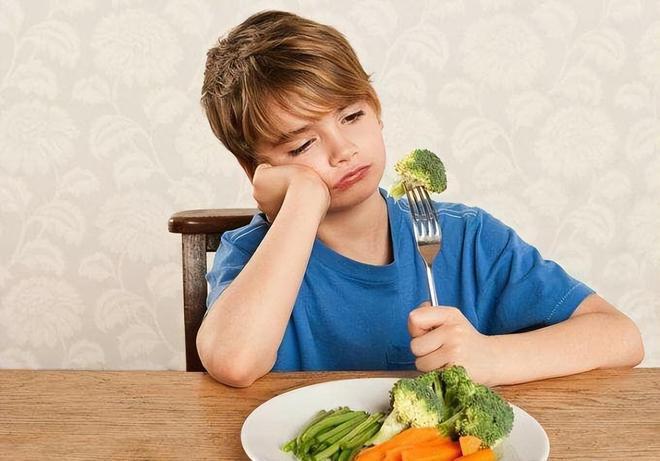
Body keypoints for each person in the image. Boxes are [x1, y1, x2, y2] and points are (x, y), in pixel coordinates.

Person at [196, 10, 644, 388]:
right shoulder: (250, 256)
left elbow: (620, 336)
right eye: (301, 146)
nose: (343, 150)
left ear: (376, 109)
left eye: (352, 116)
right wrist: (304, 197)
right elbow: (234, 361)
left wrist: (491, 358)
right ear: (257, 171)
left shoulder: (466, 237)